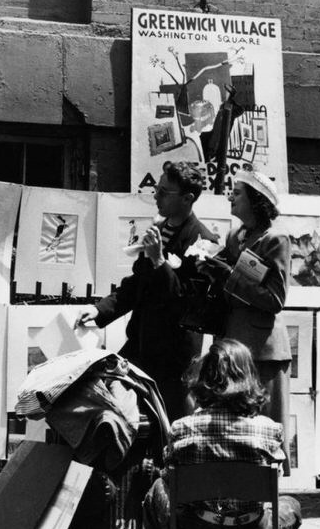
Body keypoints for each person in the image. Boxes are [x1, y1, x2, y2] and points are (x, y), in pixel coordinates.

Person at [129, 338, 301, 529]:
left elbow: (171, 483)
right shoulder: (270, 431)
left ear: (204, 379)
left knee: (155, 492)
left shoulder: (182, 428)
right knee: (291, 507)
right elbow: (273, 488)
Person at [80, 161, 218, 423]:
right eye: (157, 189)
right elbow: (137, 284)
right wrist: (100, 309)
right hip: (141, 346)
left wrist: (159, 262)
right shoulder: (160, 229)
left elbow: (187, 304)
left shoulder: (203, 241)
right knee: (121, 415)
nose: (156, 196)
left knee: (172, 427)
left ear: (188, 199)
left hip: (173, 359)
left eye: (165, 192)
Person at [209, 168, 291, 428]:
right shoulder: (235, 236)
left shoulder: (275, 240)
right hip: (232, 346)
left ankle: (268, 470)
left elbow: (275, 299)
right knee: (234, 425)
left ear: (256, 200)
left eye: (237, 193)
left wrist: (229, 276)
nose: (230, 198)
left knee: (264, 424)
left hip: (262, 351)